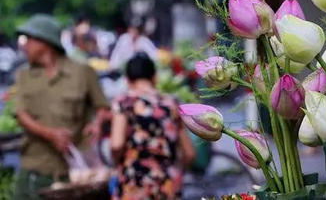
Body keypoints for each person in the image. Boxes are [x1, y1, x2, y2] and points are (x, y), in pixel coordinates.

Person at [13, 14, 110, 200]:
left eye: (28, 40)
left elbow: (102, 107)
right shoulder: (24, 75)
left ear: (44, 42)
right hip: (36, 167)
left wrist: (97, 124)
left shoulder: (83, 72)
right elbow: (21, 114)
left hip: (75, 174)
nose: (24, 46)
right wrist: (50, 134)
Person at [110, 53, 195, 200]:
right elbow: (189, 153)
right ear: (155, 77)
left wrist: (119, 163)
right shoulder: (171, 105)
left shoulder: (124, 103)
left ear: (128, 80)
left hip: (134, 183)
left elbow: (117, 145)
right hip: (167, 184)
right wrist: (176, 172)